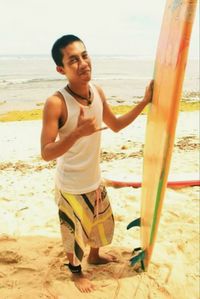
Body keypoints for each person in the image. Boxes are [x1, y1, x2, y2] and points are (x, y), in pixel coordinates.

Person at [40, 34, 153, 293]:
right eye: (73, 60)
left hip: (94, 178)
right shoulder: (55, 103)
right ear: (61, 69)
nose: (83, 63)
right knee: (74, 233)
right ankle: (76, 272)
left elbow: (115, 125)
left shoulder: (97, 91)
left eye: (85, 55)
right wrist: (77, 133)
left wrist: (144, 102)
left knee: (100, 224)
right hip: (70, 184)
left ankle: (95, 256)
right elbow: (46, 153)